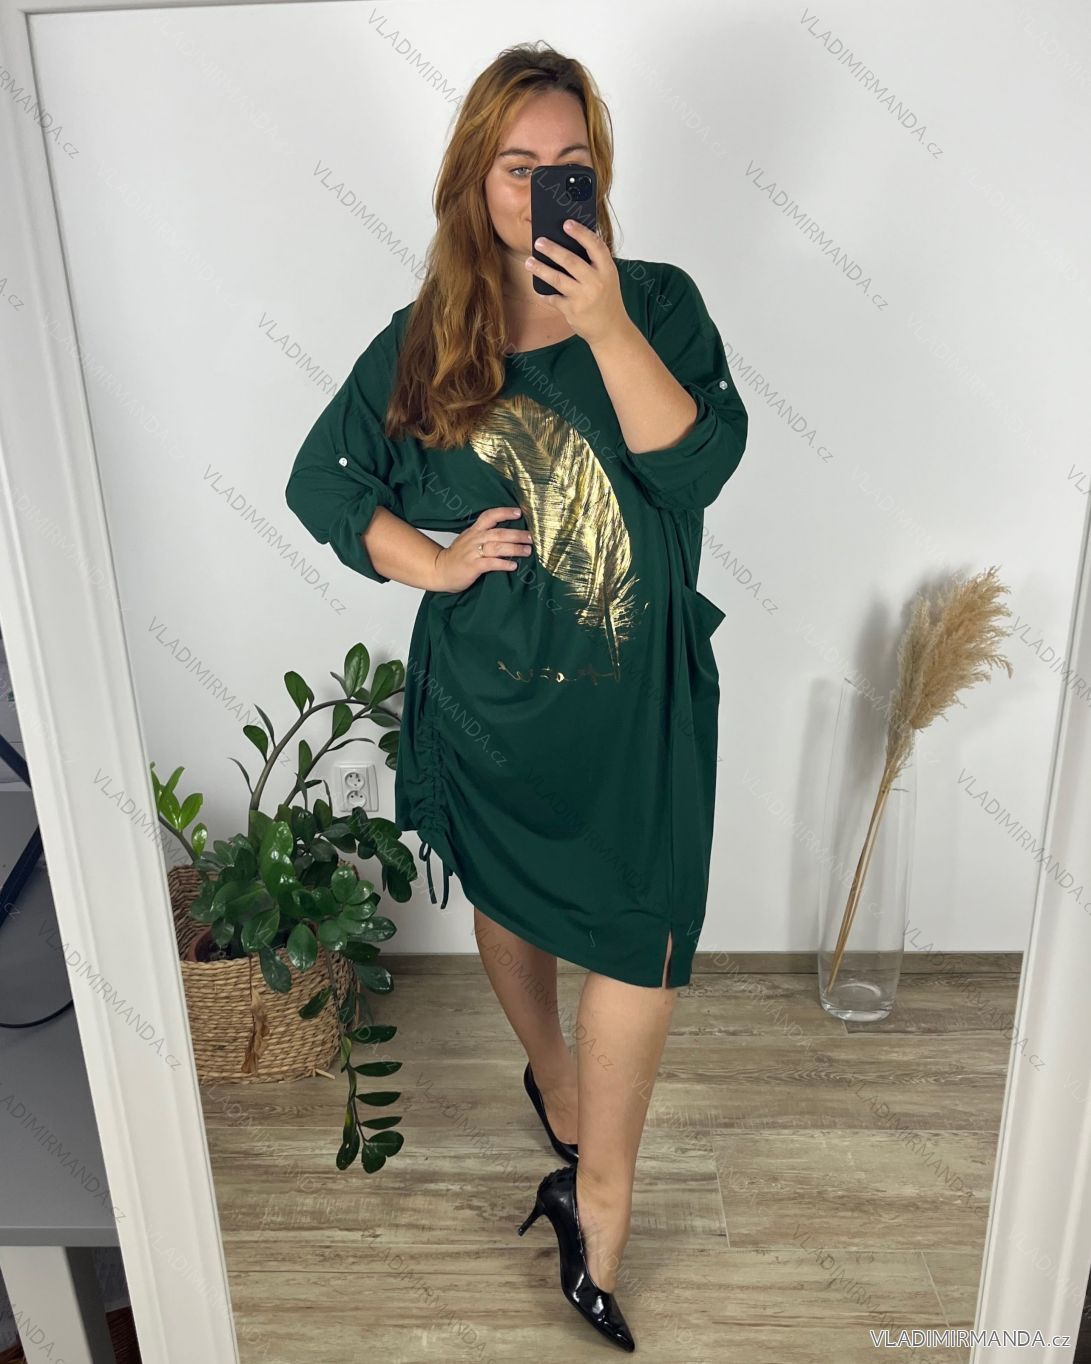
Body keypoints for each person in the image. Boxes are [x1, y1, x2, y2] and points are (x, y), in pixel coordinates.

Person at [284, 40, 748, 1353]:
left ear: (600, 179)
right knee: (511, 901)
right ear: (475, 183)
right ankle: (553, 1077)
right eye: (517, 166)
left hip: (639, 703)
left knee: (644, 935)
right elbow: (324, 478)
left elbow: (698, 469)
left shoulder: (658, 305)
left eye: (571, 166)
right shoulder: (430, 340)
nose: (544, 187)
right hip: (491, 701)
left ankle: (600, 1201)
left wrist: (602, 324)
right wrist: (433, 562)